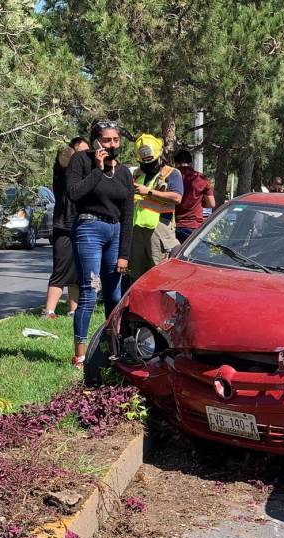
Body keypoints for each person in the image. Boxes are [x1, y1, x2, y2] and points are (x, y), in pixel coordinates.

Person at [67, 120, 135, 368]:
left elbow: (128, 215)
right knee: (88, 291)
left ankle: (112, 348)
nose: (112, 144)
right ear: (96, 141)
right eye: (106, 140)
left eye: (116, 140)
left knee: (115, 294)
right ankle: (81, 354)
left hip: (115, 233)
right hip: (89, 229)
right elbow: (74, 193)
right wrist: (97, 168)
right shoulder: (81, 161)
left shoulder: (125, 172)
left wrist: (124, 254)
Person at [44, 136, 87, 320]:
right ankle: (49, 311)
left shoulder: (84, 173)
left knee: (78, 272)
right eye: (82, 152)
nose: (85, 156)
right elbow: (64, 156)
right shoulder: (62, 169)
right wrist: (72, 149)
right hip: (63, 225)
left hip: (82, 224)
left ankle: (73, 310)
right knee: (60, 269)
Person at [129, 134, 182, 280]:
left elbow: (177, 197)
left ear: (159, 156)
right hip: (138, 232)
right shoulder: (137, 173)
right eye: (143, 163)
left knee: (159, 275)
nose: (147, 166)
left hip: (160, 233)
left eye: (151, 162)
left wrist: (149, 192)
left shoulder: (172, 173)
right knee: (137, 277)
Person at [172, 149, 215, 243]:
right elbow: (211, 204)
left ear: (175, 162)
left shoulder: (170, 177)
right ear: (190, 162)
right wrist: (199, 202)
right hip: (193, 225)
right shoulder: (201, 178)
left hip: (172, 225)